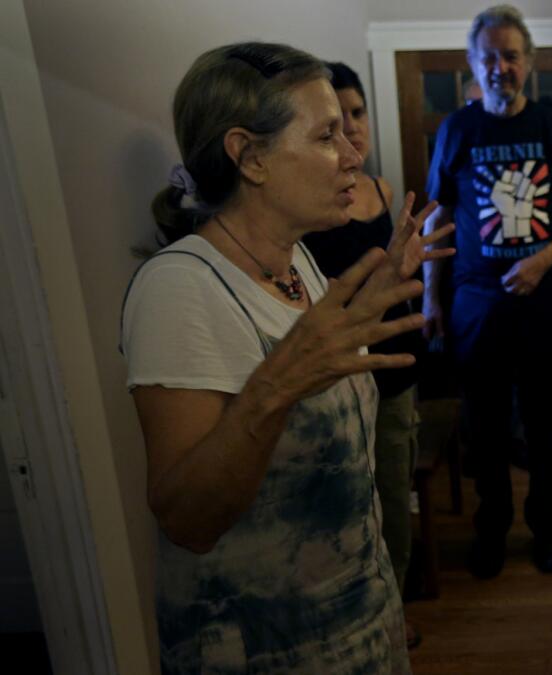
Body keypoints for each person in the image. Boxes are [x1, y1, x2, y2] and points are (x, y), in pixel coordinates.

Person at [121, 42, 452, 674]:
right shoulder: (179, 289)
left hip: (356, 619)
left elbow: (322, 382)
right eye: (328, 136)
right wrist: (278, 382)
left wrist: (374, 301)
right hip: (266, 647)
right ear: (250, 158)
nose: (354, 154)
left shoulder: (297, 259)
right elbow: (186, 519)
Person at [422, 4, 552, 579]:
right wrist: (429, 297)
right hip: (475, 303)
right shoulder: (456, 130)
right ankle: (491, 531)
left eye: (511, 56)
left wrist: (541, 263)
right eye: (489, 56)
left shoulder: (551, 128)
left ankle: (547, 528)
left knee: (544, 428)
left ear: (528, 64)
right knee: (487, 429)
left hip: (543, 303)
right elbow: (437, 218)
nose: (501, 67)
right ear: (475, 63)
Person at [300, 61, 424, 649]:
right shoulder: (309, 205)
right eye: (335, 121)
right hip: (340, 373)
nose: (352, 128)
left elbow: (391, 273)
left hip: (396, 370)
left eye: (358, 113)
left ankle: (390, 618)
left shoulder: (381, 190)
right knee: (352, 503)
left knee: (395, 500)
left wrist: (408, 268)